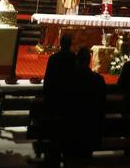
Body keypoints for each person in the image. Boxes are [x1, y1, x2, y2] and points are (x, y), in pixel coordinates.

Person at [43, 34, 76, 166]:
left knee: (55, 128)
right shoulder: (74, 58)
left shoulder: (53, 58)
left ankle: (54, 154)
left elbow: (48, 80)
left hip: (55, 98)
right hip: (69, 98)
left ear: (60, 44)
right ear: (70, 44)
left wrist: (47, 97)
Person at [68, 46, 106, 158]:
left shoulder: (70, 79)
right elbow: (102, 104)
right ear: (89, 61)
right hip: (92, 129)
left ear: (77, 61)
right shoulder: (98, 80)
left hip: (73, 128)